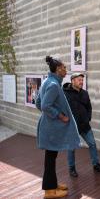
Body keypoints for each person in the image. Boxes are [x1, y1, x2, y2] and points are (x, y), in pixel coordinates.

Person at [36, 56, 81, 198]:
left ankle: (52, 184)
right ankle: (49, 191)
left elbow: (38, 103)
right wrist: (61, 116)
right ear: (57, 69)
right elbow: (44, 105)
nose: (66, 70)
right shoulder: (54, 85)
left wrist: (48, 116)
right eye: (64, 68)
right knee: (50, 159)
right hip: (51, 129)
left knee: (51, 158)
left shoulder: (47, 81)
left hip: (48, 127)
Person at [63, 73, 100, 177]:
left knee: (92, 144)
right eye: (79, 80)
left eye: (82, 80)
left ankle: (96, 164)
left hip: (84, 125)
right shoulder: (65, 94)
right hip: (72, 126)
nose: (81, 82)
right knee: (71, 148)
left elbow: (89, 107)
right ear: (73, 80)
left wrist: (87, 118)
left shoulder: (85, 93)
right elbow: (62, 108)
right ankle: (71, 168)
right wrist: (64, 119)